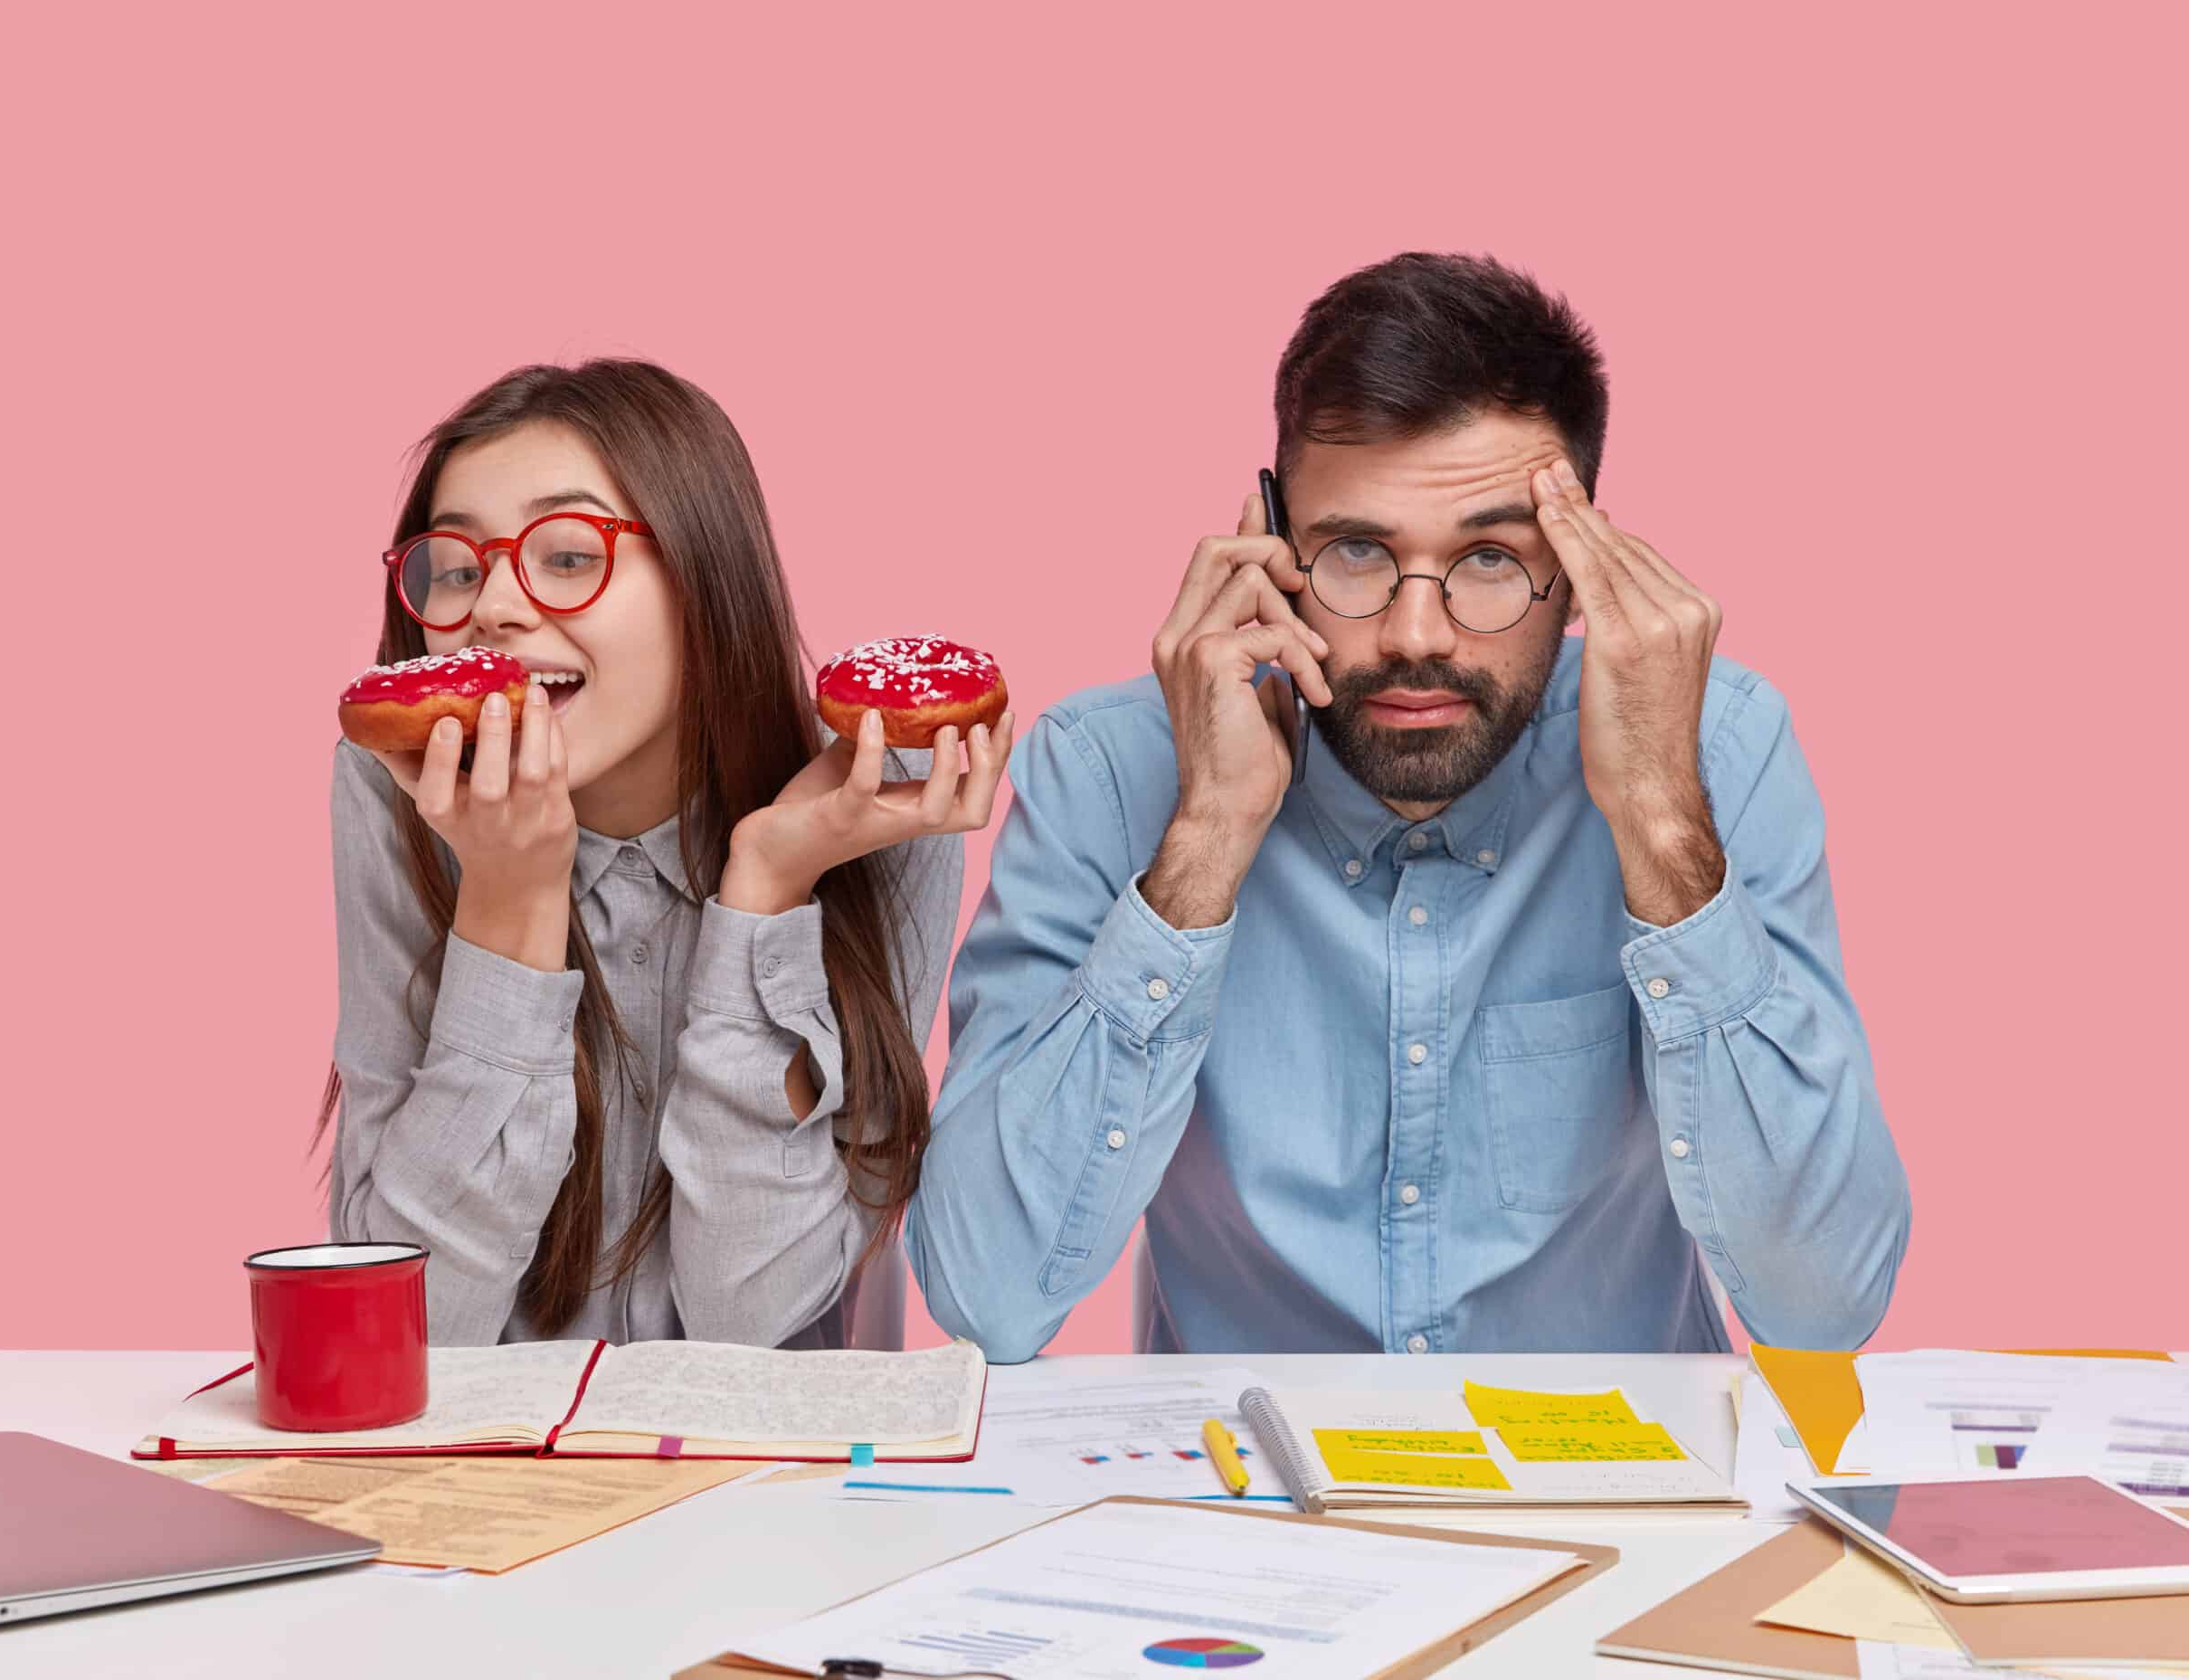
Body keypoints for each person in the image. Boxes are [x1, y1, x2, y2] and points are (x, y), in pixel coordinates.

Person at [907, 252, 1907, 1359]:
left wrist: (1663, 826)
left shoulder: (1714, 745)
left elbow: (1825, 1305)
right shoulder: (1105, 769)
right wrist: (1201, 845)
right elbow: (984, 1298)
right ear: (1272, 548)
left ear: (1580, 569)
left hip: (1625, 1496)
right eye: (1354, 553)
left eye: (1489, 558)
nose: (1418, 634)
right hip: (1245, 1499)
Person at [322, 359, 1011, 1346]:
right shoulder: (393, 789)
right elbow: (401, 1330)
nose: (495, 608)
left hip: (779, 1485)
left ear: (703, 574)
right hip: (494, 1482)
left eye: (566, 555)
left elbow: (753, 1320)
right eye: (460, 568)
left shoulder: (873, 800)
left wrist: (769, 889)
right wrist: (509, 909)